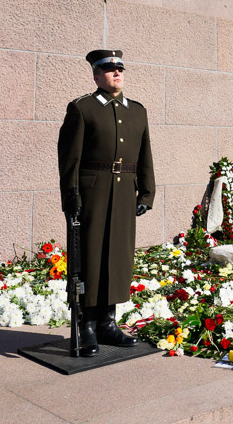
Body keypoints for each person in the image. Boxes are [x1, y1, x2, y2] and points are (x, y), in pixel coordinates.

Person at [58, 49, 156, 356]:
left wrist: (146, 193)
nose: (117, 74)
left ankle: (107, 324)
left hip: (125, 192)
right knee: (90, 257)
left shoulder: (137, 111)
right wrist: (71, 196)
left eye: (120, 69)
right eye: (109, 70)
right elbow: (69, 159)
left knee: (117, 258)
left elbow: (145, 156)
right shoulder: (83, 108)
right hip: (93, 194)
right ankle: (86, 327)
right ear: (96, 75)